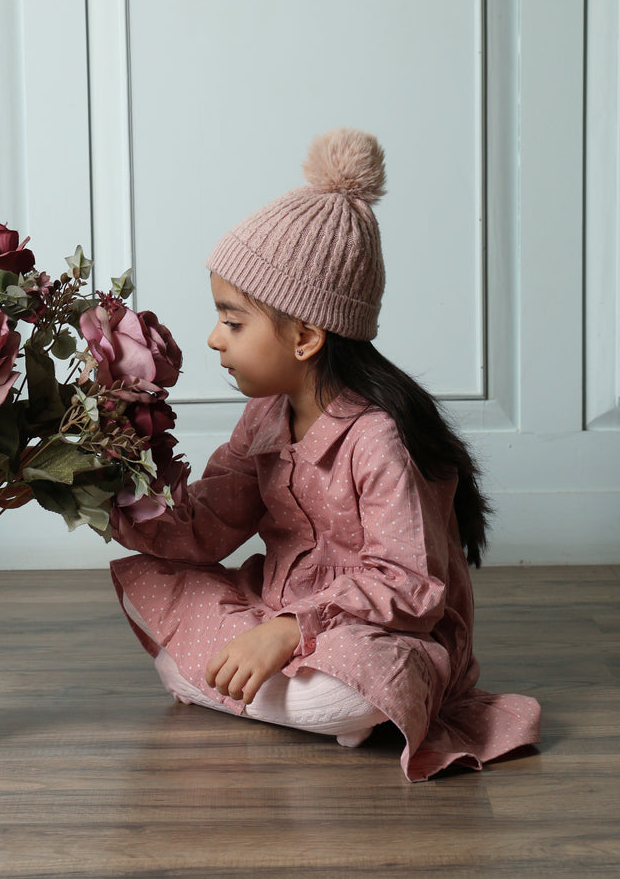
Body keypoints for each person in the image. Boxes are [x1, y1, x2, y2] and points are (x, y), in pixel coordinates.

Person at [110, 127, 541, 781]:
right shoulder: (265, 416)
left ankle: (294, 690)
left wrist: (291, 630)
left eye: (233, 320)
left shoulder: (378, 438)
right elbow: (206, 527)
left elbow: (409, 585)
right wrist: (103, 487)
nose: (214, 339)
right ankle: (259, 679)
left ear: (306, 335)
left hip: (380, 631)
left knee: (357, 681)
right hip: (277, 609)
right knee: (155, 587)